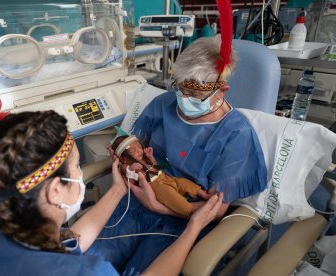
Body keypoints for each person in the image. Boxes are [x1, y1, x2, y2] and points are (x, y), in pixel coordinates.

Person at [0, 110, 223, 275]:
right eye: (76, 168)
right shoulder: (90, 272)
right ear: (56, 190)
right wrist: (193, 229)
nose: (81, 174)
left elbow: (67, 244)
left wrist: (118, 190)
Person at [86, 35, 268, 272]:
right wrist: (126, 158)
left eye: (193, 93)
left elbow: (214, 211)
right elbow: (133, 147)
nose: (183, 99)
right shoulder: (163, 105)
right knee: (89, 264)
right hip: (135, 202)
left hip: (182, 220)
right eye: (180, 88)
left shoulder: (236, 135)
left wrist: (158, 206)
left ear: (222, 90)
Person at [111, 134, 212, 217]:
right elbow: (130, 182)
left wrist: (151, 158)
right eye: (133, 150)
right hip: (156, 187)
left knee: (184, 182)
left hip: (165, 177)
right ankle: (190, 209)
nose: (139, 151)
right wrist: (131, 169)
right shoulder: (126, 165)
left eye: (138, 146)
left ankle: (204, 194)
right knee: (173, 198)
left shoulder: (143, 159)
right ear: (123, 158)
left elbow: (157, 167)